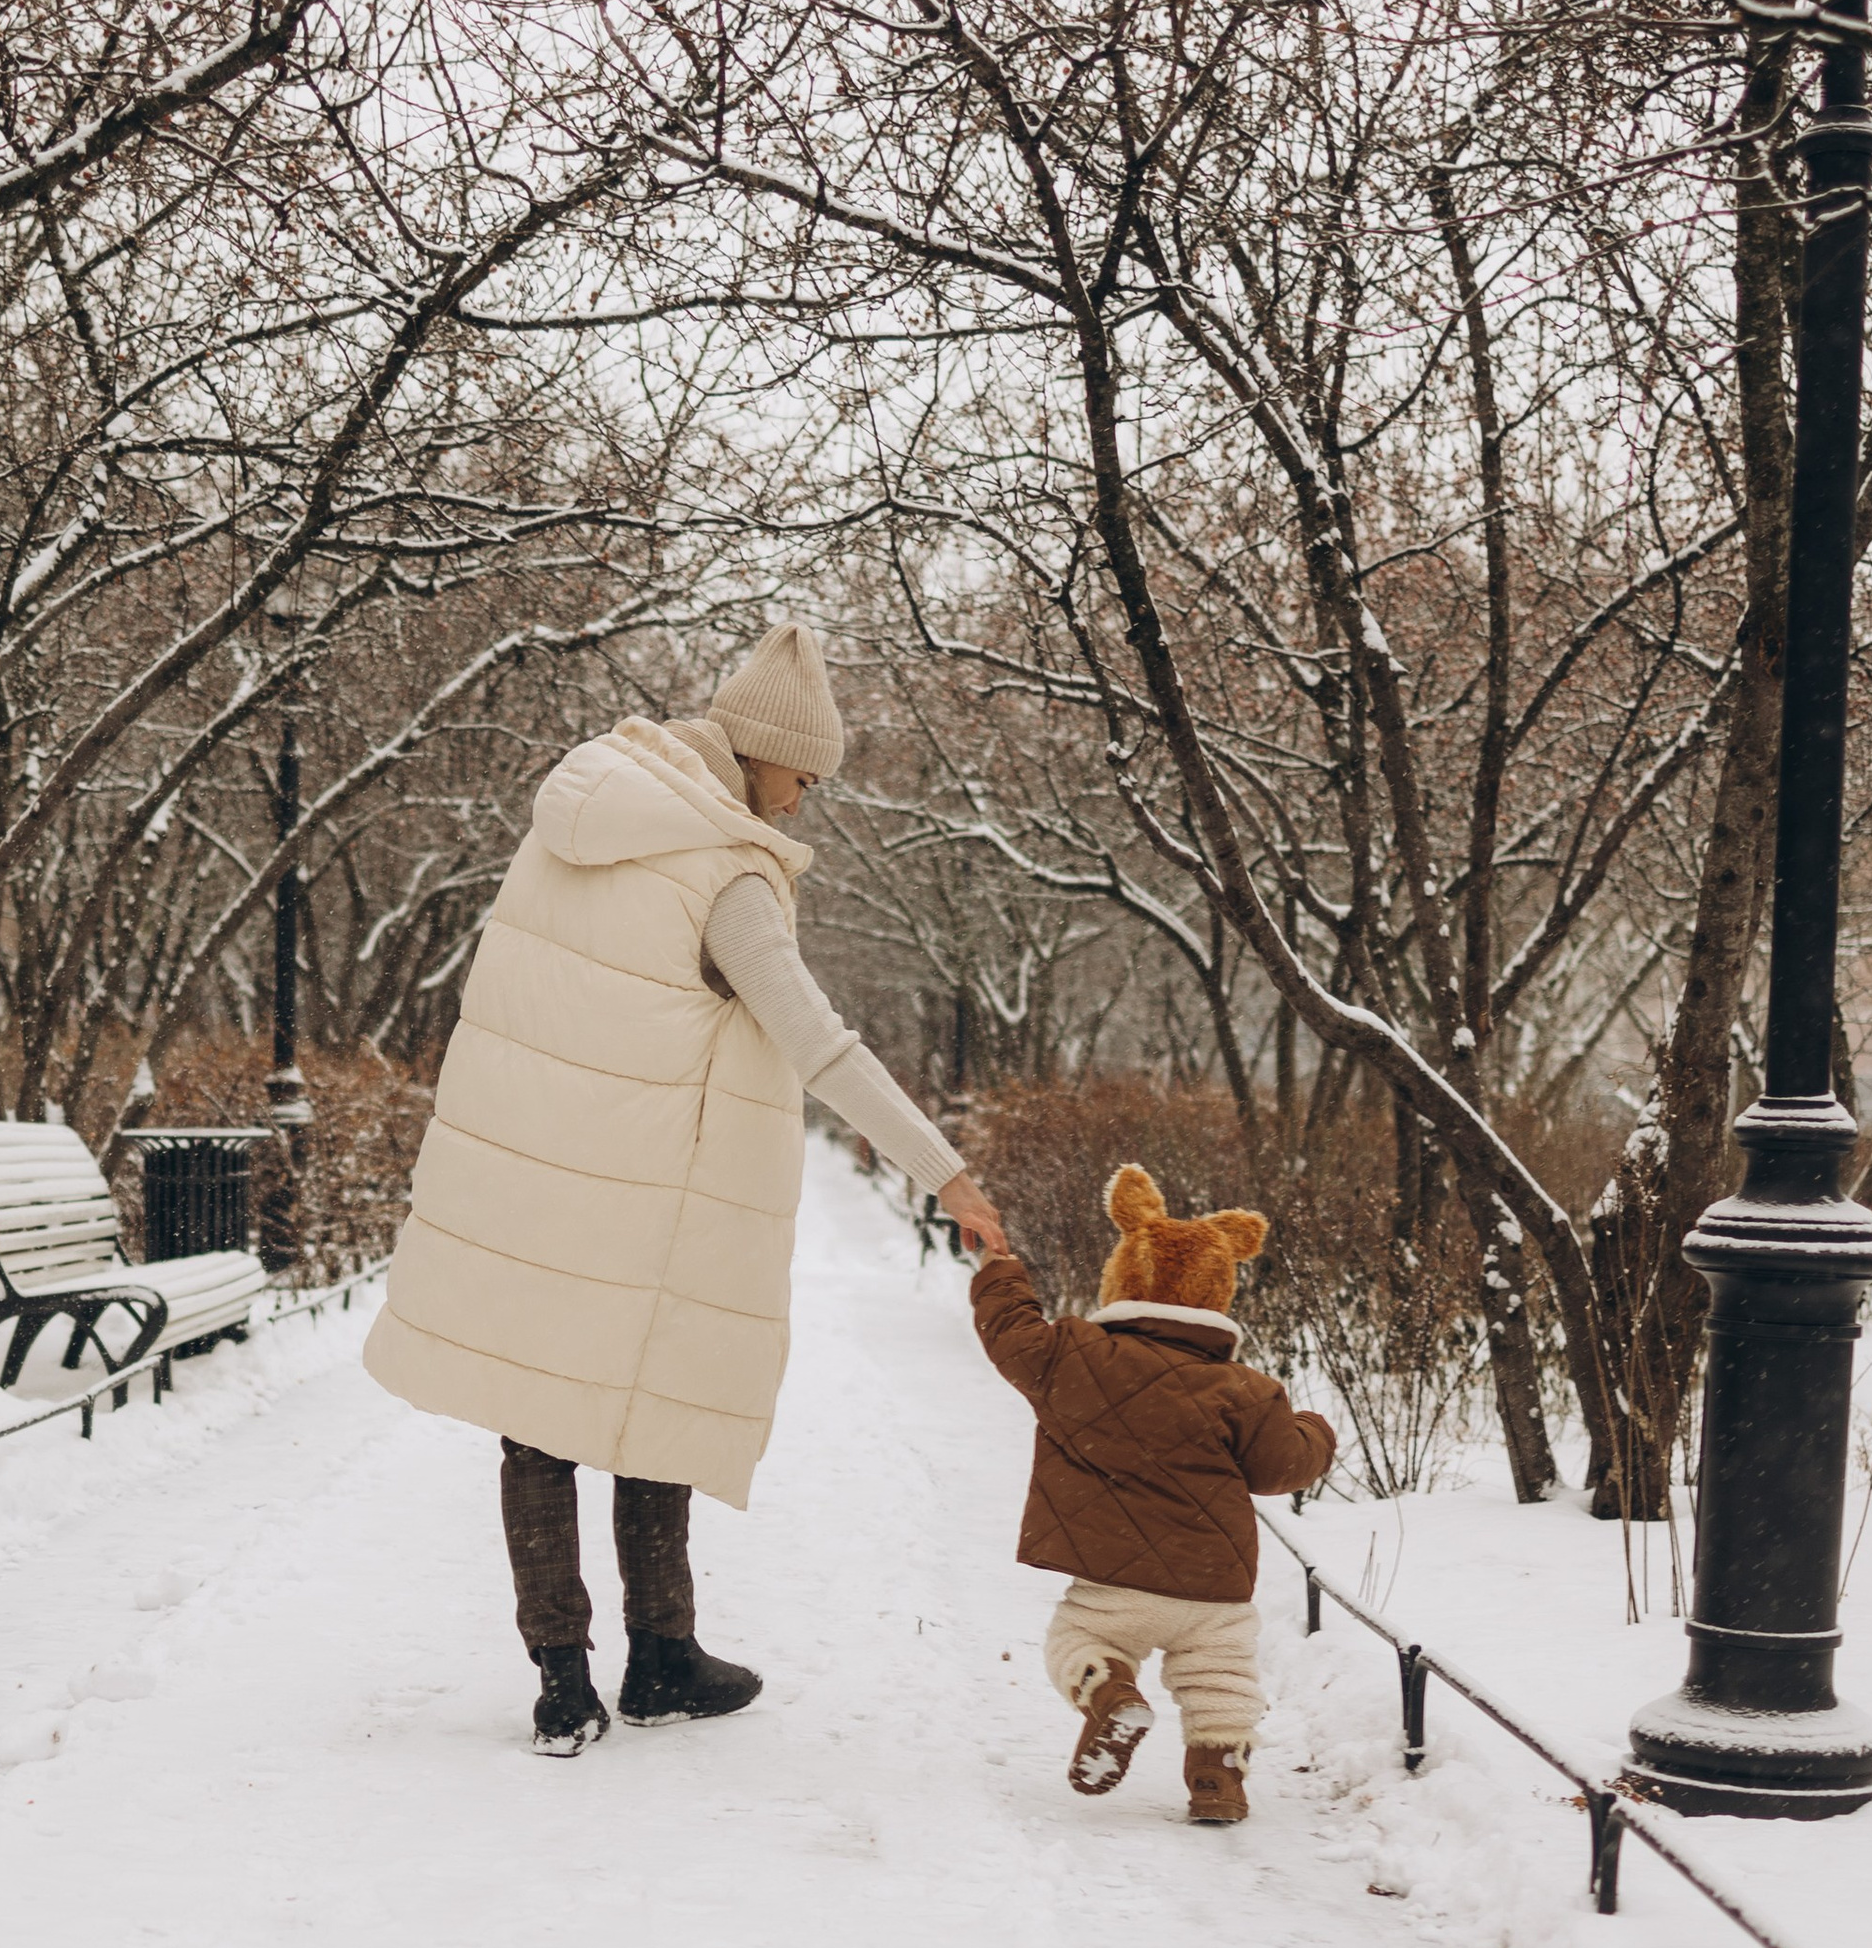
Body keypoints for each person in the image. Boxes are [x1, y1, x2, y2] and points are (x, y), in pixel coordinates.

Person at [363, 623, 1006, 1750]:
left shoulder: (577, 818)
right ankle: (659, 1656)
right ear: (760, 753)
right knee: (654, 1402)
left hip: (536, 1174)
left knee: (536, 1419)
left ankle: (562, 1678)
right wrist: (945, 1174)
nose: (801, 804)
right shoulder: (727, 873)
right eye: (803, 776)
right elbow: (818, 1043)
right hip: (642, 1188)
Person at [969, 1162, 1335, 1825]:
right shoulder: (1245, 1390)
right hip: (1213, 1586)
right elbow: (1283, 1466)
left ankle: (1109, 1692)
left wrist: (1001, 1271)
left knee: (1076, 1640)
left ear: (1122, 1275)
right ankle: (1218, 1779)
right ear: (1218, 1294)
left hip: (1114, 1582)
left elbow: (1010, 1334)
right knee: (1220, 1679)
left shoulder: (1073, 1355)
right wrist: (1314, 1429)